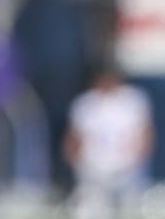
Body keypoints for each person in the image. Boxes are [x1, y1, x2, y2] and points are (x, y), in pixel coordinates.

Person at [62, 67, 154, 219]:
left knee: (130, 210)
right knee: (91, 211)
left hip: (126, 167)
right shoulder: (85, 103)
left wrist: (137, 159)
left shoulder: (133, 100)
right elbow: (73, 138)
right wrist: (77, 164)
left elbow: (146, 134)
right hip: (93, 168)